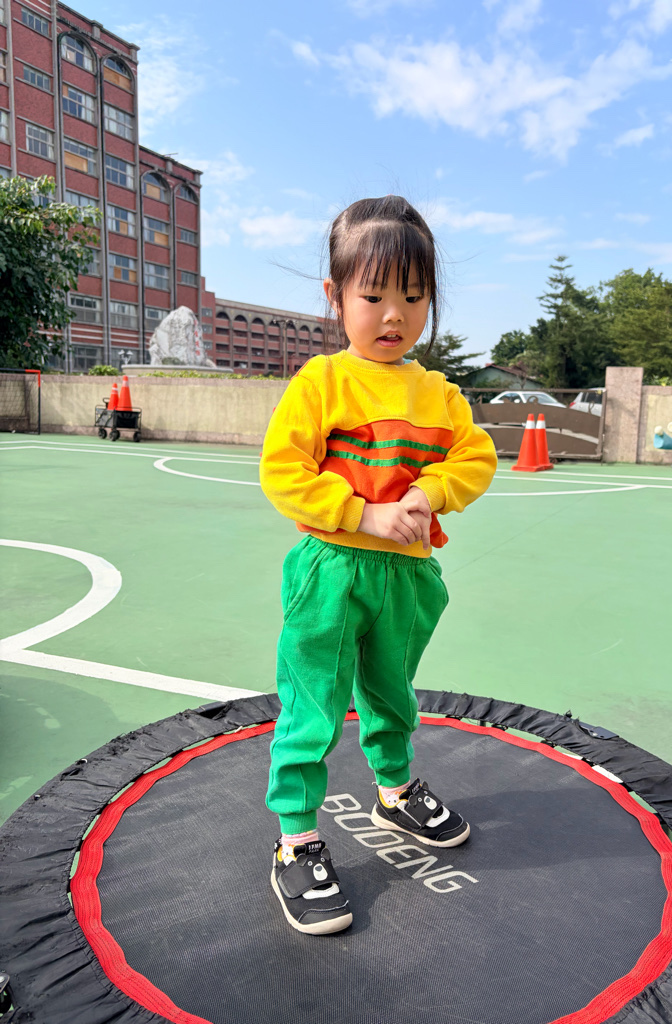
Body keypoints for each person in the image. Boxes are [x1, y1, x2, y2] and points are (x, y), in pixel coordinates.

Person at [259, 195, 497, 935]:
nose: (394, 315)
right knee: (314, 705)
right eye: (374, 297)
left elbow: (476, 457)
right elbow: (283, 471)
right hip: (332, 569)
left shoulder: (438, 393)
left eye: (414, 296)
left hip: (406, 578)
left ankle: (393, 792)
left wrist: (430, 492)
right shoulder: (321, 382)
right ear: (335, 296)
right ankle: (296, 840)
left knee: (392, 693)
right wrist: (363, 514)